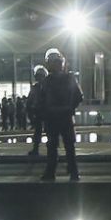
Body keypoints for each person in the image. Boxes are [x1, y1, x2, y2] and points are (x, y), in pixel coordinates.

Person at [39, 49, 84, 181]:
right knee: (68, 146)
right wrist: (70, 108)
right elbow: (79, 96)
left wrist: (44, 113)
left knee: (53, 147)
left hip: (54, 117)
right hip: (64, 116)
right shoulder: (69, 78)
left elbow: (42, 100)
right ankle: (73, 172)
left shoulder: (47, 81)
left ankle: (51, 172)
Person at [24, 62, 49, 170]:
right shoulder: (37, 87)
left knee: (48, 132)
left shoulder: (46, 86)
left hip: (47, 111)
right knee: (39, 132)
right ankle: (36, 148)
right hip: (40, 111)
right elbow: (30, 101)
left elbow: (30, 101)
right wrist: (30, 111)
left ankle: (46, 149)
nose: (39, 78)